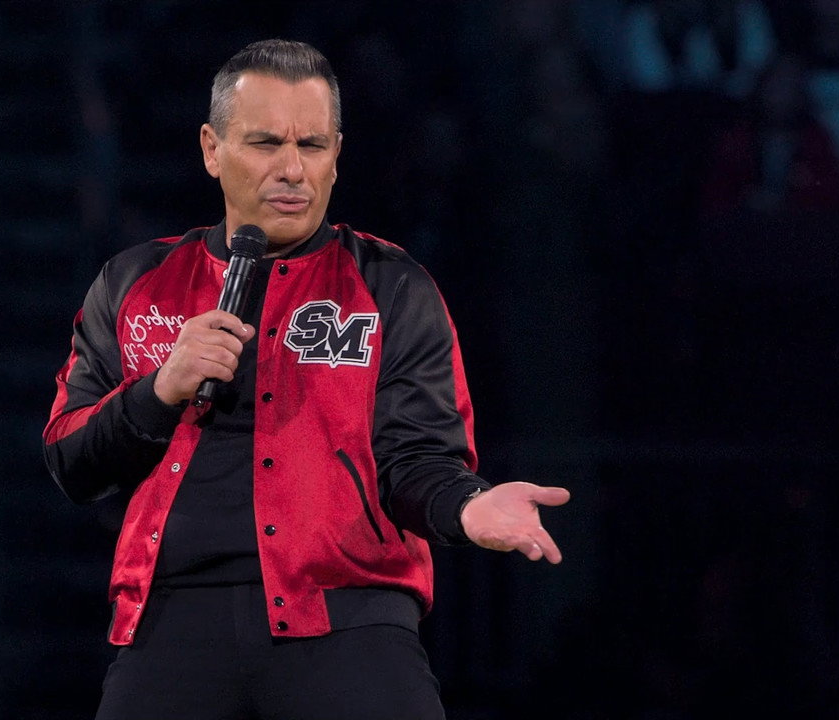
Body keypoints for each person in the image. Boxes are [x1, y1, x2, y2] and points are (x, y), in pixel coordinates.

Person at [43, 39, 571, 720]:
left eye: (312, 145)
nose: (292, 169)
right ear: (212, 149)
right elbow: (71, 460)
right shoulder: (135, 284)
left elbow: (416, 458)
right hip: (172, 621)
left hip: (350, 619)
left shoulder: (391, 286)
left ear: (337, 155)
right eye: (266, 143)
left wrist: (468, 507)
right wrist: (159, 391)